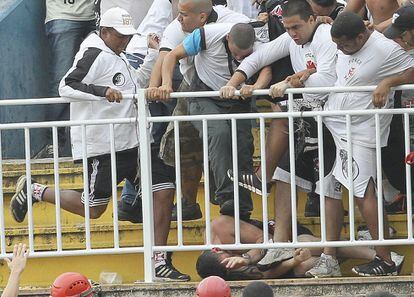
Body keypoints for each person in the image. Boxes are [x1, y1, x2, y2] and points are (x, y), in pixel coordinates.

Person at [10, 7, 189, 282]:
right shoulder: (93, 52)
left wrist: (153, 54)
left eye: (128, 36)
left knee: (163, 190)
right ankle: (35, 190)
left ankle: (158, 260)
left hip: (136, 140)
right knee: (93, 208)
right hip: (105, 145)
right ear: (104, 32)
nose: (125, 41)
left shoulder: (117, 54)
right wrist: (101, 92)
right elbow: (66, 86)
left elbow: (134, 88)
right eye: (120, 36)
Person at [220, 0, 343, 278]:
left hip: (333, 121)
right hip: (304, 119)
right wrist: (233, 82)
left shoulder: (325, 37)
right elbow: (257, 58)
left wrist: (290, 83)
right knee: (285, 175)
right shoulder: (290, 39)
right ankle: (279, 244)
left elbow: (329, 79)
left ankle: (331, 257)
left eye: (296, 26)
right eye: (287, 28)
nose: (292, 33)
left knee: (328, 188)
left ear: (313, 19)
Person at [321, 11, 414, 276]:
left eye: (344, 44)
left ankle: (385, 260)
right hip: (335, 125)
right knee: (331, 188)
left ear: (362, 36)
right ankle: (334, 257)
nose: (339, 49)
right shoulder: (346, 43)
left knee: (365, 193)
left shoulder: (385, 48)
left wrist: (388, 82)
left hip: (361, 130)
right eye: (336, 44)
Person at [158, 22, 273, 220]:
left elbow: (266, 69)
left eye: (244, 56)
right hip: (204, 95)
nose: (239, 59)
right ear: (228, 38)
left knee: (243, 143)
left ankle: (243, 203)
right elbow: (172, 56)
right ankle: (227, 196)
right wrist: (167, 84)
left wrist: (256, 86)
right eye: (235, 53)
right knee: (219, 133)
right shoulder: (206, 34)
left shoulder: (260, 41)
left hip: (239, 99)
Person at [195, 215, 404, 280]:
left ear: (216, 249)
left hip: (284, 235)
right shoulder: (222, 268)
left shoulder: (218, 227)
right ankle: (362, 241)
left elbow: (265, 240)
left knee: (306, 244)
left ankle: (385, 256)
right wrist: (294, 261)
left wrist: (247, 257)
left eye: (227, 257)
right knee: (307, 265)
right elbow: (264, 275)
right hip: (283, 261)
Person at [36, 0, 97, 158]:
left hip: (94, 17)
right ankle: (54, 143)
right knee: (61, 80)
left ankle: (94, 141)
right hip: (63, 16)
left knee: (98, 77)